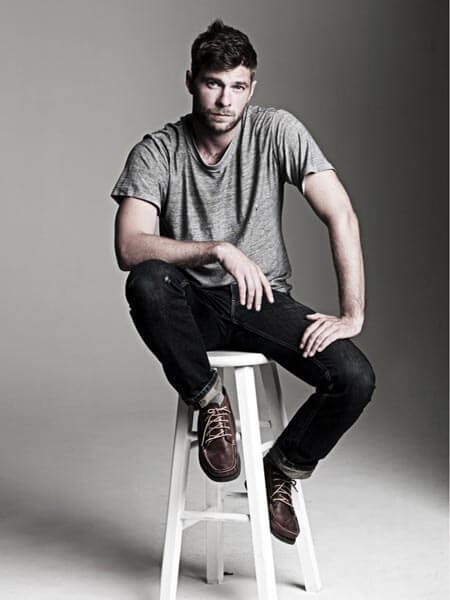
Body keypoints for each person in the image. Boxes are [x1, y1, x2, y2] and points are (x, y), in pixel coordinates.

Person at [110, 19, 376, 545]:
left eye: (237, 86)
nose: (224, 99)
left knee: (354, 378)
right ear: (191, 81)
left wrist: (353, 313)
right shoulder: (157, 151)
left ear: (252, 88)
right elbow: (129, 246)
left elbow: (340, 213)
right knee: (146, 281)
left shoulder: (276, 130)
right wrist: (217, 249)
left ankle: (282, 468)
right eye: (213, 83)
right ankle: (211, 402)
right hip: (192, 306)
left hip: (263, 301)